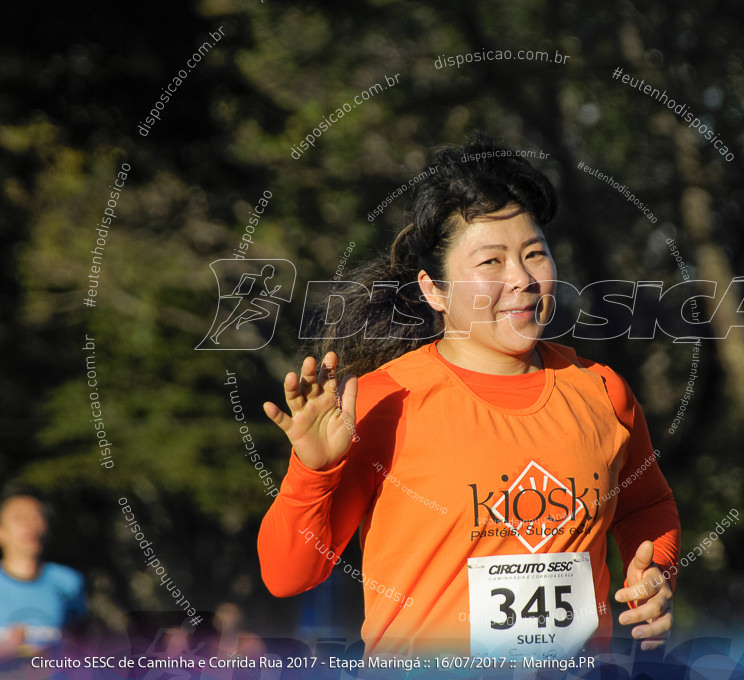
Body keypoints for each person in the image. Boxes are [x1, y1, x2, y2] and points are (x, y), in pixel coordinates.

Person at [257, 136, 681, 659]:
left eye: (534, 255)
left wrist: (654, 574)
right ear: (434, 290)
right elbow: (287, 575)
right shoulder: (379, 402)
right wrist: (312, 471)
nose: (522, 280)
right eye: (491, 262)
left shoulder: (601, 390)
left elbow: (648, 505)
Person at [0, 489, 86, 660]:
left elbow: (81, 640)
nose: (30, 525)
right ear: (1, 532)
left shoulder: (68, 581)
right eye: (19, 518)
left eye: (36, 516)